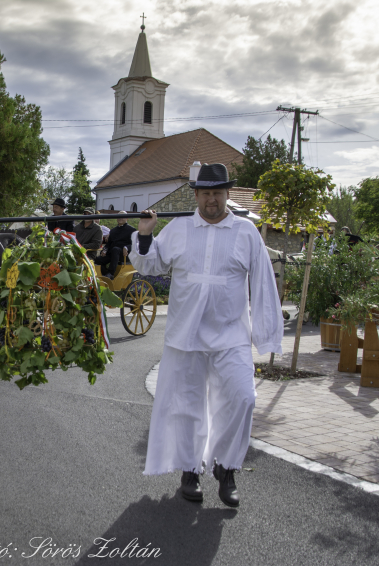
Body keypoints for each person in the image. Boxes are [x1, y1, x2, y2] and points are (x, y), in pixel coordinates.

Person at [130, 163, 283, 507]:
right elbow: (150, 264)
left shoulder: (246, 232)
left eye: (218, 192)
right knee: (187, 405)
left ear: (227, 193)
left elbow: (262, 284)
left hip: (231, 336)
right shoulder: (179, 229)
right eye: (205, 193)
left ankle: (225, 467)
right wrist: (144, 233)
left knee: (243, 398)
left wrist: (267, 335)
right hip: (186, 335)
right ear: (195, 194)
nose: (212, 199)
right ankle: (190, 470)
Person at [95, 212, 137, 278]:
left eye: (122, 216)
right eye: (119, 216)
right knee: (98, 259)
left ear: (127, 218)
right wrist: (105, 250)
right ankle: (106, 275)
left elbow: (135, 244)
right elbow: (109, 244)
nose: (120, 218)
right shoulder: (113, 230)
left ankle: (111, 273)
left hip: (124, 255)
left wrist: (126, 247)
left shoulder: (132, 230)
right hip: (112, 253)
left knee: (115, 249)